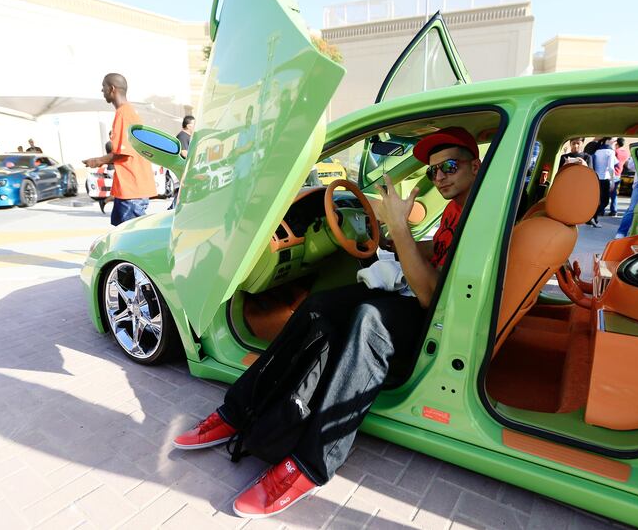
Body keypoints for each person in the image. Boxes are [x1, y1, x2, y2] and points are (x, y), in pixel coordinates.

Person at [172, 127, 481, 518]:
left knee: (370, 321)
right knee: (320, 305)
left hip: (441, 316)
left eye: (450, 166)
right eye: (435, 171)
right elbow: (436, 253)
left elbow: (427, 296)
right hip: (432, 299)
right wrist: (391, 242)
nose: (440, 177)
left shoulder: (479, 212)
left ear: (476, 165)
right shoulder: (458, 206)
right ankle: (236, 411)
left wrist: (400, 227)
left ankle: (310, 465)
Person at [82, 73, 156, 226]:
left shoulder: (124, 114)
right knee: (120, 235)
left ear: (112, 89)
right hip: (128, 189)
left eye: (103, 87)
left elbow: (122, 153)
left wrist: (96, 161)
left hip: (132, 190)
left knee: (132, 241)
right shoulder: (127, 112)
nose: (102, 91)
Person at [591, 137, 617, 227]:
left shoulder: (597, 151)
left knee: (595, 200)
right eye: (613, 140)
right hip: (604, 179)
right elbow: (611, 167)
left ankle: (592, 218)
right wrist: (613, 181)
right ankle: (593, 218)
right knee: (604, 201)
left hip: (595, 178)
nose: (615, 142)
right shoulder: (610, 152)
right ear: (608, 140)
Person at [169, 115, 193, 209]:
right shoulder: (183, 136)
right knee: (181, 190)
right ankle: (173, 209)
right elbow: (184, 152)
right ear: (188, 125)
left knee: (182, 191)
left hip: (183, 168)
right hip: (181, 168)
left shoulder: (187, 136)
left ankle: (174, 209)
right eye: (194, 124)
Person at [610, 137, 629, 216]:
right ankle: (614, 210)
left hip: (612, 174)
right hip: (619, 174)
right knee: (614, 193)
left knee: (610, 193)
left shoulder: (615, 152)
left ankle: (613, 210)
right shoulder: (626, 153)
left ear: (617, 144)